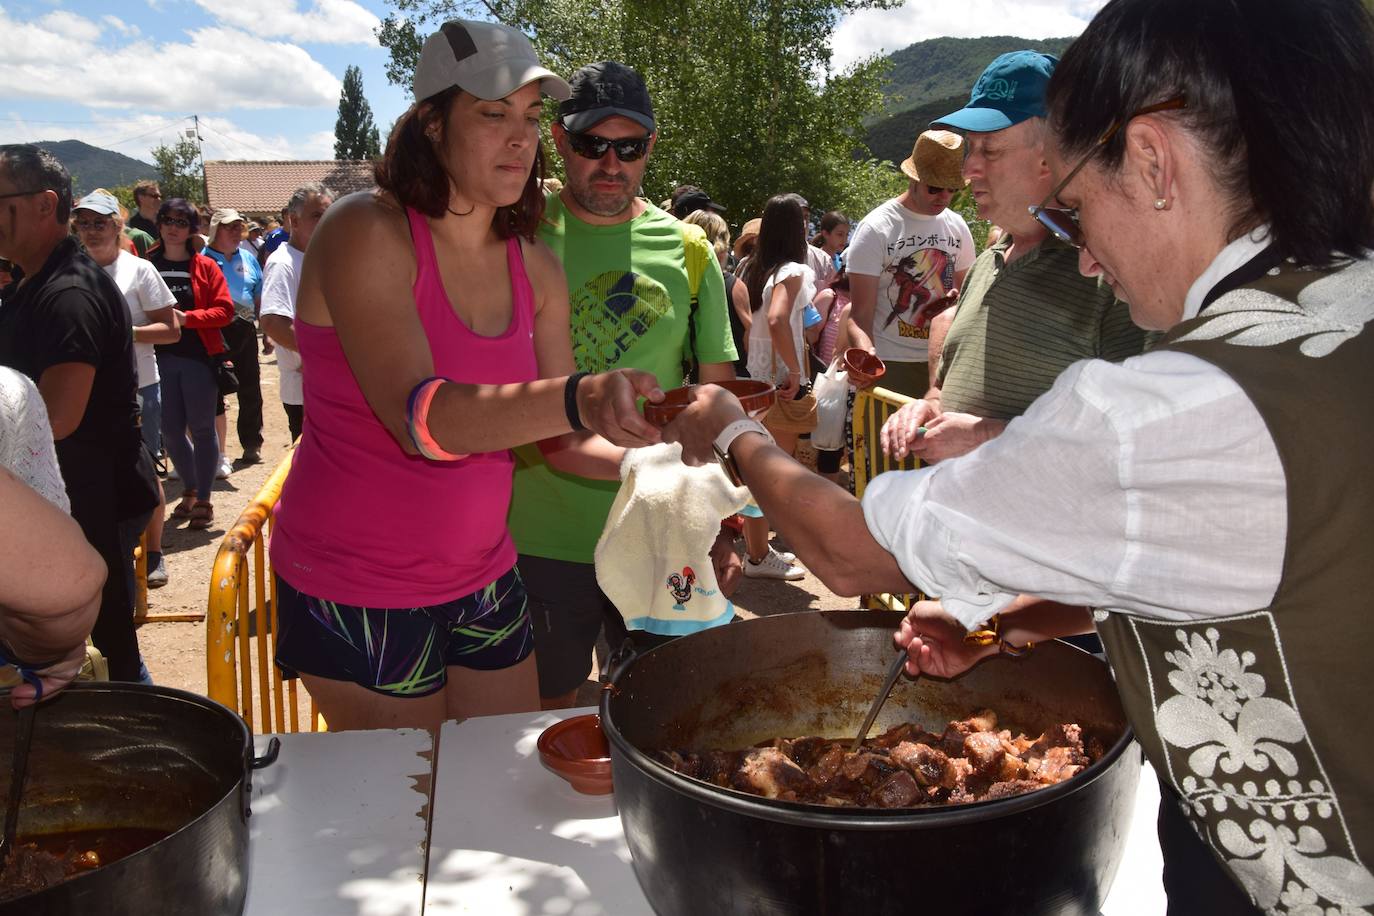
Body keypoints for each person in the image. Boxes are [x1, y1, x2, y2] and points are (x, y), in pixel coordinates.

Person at [662, 0, 1374, 910]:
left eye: (1075, 215)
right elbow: (1228, 554)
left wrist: (733, 430)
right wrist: (1015, 621)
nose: (1084, 262)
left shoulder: (1170, 409)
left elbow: (845, 550)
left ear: (1152, 161)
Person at [269, 21, 666, 732]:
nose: (520, 138)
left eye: (531, 116)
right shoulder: (366, 230)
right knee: (414, 813)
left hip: (484, 575)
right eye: (492, 114)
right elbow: (424, 421)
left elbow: (564, 443)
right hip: (358, 584)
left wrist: (680, 458)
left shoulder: (534, 263)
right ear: (430, 123)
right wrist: (582, 396)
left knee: (495, 798)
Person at [510, 60, 742, 709]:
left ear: (650, 147)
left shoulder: (691, 251)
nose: (611, 164)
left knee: (659, 713)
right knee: (537, 723)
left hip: (661, 531)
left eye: (629, 147)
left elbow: (717, 403)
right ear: (559, 140)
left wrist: (721, 523)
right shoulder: (516, 238)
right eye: (592, 145)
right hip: (539, 538)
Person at [882, 51, 1149, 466]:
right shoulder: (986, 265)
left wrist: (987, 436)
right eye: (971, 148)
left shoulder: (1109, 275)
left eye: (989, 149)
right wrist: (929, 407)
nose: (968, 167)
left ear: (1052, 154)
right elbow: (945, 388)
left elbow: (1136, 439)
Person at [0, 144, 160, 684]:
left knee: (109, 642)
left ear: (45, 205)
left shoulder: (69, 293)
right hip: (73, 493)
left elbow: (57, 417)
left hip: (93, 495)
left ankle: (139, 740)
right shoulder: (33, 282)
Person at [683, 207, 801, 580]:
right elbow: (751, 331)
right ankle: (752, 552)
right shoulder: (728, 279)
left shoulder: (678, 276)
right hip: (728, 386)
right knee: (741, 470)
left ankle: (712, 551)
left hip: (682, 386)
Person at [72, 190, 180, 589]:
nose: (91, 230)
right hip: (87, 390)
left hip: (140, 387)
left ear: (118, 227)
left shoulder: (139, 270)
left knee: (145, 472)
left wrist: (123, 333)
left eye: (100, 222)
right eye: (84, 223)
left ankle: (154, 553)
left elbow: (171, 329)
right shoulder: (71, 270)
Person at [846, 129, 975, 396]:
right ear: (913, 179)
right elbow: (859, 315)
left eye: (951, 189)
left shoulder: (957, 226)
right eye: (935, 188)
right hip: (890, 361)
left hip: (942, 361)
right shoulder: (877, 227)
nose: (943, 197)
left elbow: (969, 296)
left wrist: (955, 301)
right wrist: (865, 356)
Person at [147, 198, 234, 530]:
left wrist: (187, 318)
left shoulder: (205, 266)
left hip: (198, 359)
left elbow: (225, 311)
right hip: (157, 359)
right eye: (167, 219)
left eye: (181, 222)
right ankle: (191, 487)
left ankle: (204, 498)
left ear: (191, 229)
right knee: (169, 431)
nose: (173, 227)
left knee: (202, 429)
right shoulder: (146, 264)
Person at [260, 185, 332, 442]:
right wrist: (321, 358)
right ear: (294, 221)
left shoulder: (321, 258)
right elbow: (273, 321)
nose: (326, 222)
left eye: (329, 214)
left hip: (326, 388)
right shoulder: (284, 263)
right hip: (306, 393)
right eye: (317, 216)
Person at [202, 208, 265, 465]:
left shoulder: (248, 258)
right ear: (217, 230)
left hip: (246, 328)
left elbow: (258, 293)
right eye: (231, 227)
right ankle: (215, 450)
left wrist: (266, 330)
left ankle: (251, 443)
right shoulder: (203, 259)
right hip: (215, 330)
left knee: (251, 386)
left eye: (240, 227)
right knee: (214, 388)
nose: (238, 232)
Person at [809, 211, 848, 286]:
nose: (845, 239)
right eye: (840, 234)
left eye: (846, 234)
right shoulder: (815, 260)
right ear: (825, 234)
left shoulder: (841, 261)